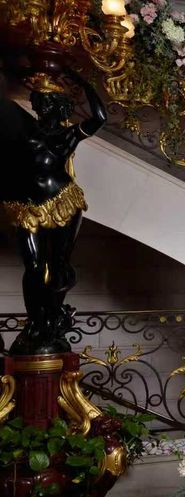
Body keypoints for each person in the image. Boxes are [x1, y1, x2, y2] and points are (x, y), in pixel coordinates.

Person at [0, 70, 106, 355]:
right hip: (27, 206)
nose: (40, 106)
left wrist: (84, 83)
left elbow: (100, 118)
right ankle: (36, 321)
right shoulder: (25, 131)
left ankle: (52, 318)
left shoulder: (67, 134)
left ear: (58, 105)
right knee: (33, 267)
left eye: (46, 102)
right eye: (38, 102)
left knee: (58, 265)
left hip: (63, 201)